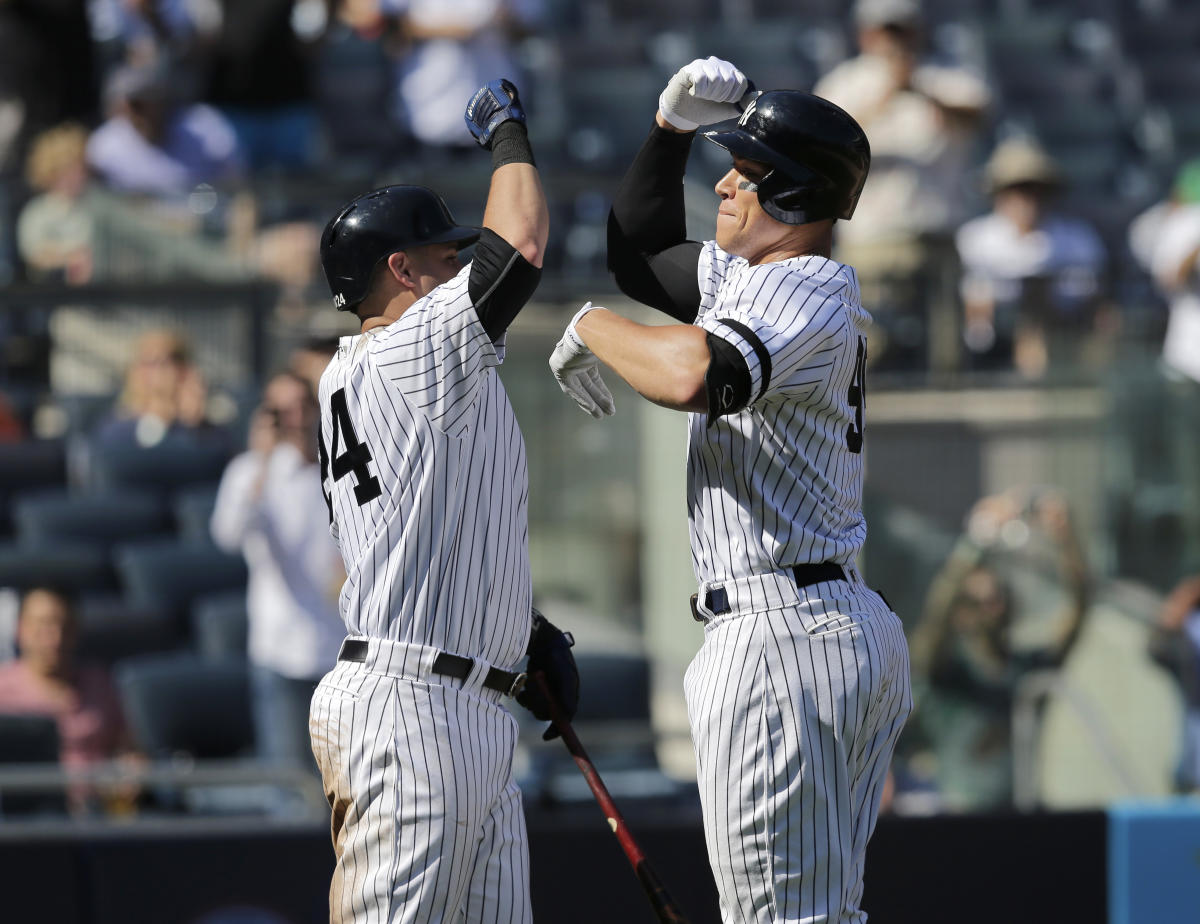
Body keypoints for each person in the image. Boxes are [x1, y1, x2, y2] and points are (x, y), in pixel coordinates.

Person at [549, 57, 911, 923]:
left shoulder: (804, 283)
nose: (724, 184)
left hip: (784, 636)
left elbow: (696, 375)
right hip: (817, 622)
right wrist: (665, 132)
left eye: (745, 173)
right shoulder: (756, 275)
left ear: (791, 195)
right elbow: (639, 255)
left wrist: (593, 323)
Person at [309, 78, 577, 921]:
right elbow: (520, 246)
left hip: (460, 702)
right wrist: (507, 134)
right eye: (444, 255)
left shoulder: (390, 373)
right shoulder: (402, 350)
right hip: (409, 706)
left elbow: (431, 525)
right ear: (400, 270)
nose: (459, 264)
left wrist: (516, 632)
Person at [813, 0, 990, 371]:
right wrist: (888, 93)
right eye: (885, 29)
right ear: (865, 33)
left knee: (946, 360)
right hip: (872, 239)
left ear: (918, 30)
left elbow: (979, 115)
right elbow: (823, 143)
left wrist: (920, 90)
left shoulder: (946, 75)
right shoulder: (845, 83)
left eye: (901, 28)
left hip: (937, 234)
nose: (893, 39)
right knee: (867, 354)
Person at [908, 488, 1088, 810]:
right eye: (977, 602)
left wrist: (1065, 540)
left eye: (997, 598)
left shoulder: (1025, 670)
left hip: (1021, 814)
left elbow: (1076, 613)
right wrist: (975, 542)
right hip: (959, 813)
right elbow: (936, 617)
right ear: (961, 612)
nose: (991, 608)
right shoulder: (948, 672)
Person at [210, 371, 346, 771]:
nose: (296, 419)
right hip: (281, 648)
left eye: (303, 407)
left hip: (340, 649)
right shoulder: (248, 472)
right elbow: (229, 535)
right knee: (289, 783)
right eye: (282, 411)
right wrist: (263, 462)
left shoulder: (337, 468)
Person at [955, 138, 1111, 378]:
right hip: (992, 345)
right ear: (998, 193)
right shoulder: (974, 239)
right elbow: (972, 302)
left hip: (1065, 335)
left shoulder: (1077, 238)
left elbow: (1093, 296)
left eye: (1034, 189)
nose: (1027, 199)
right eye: (1016, 189)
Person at [0, 587, 136, 814]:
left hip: (99, 813)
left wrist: (130, 771)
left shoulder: (100, 682)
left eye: (63, 626)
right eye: (42, 625)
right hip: (25, 817)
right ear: (20, 629)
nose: (54, 638)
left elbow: (127, 748)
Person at [93, 328, 229, 450]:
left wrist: (196, 425)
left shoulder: (211, 415)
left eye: (162, 362)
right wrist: (158, 419)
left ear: (183, 370)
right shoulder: (117, 423)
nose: (153, 373)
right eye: (146, 362)